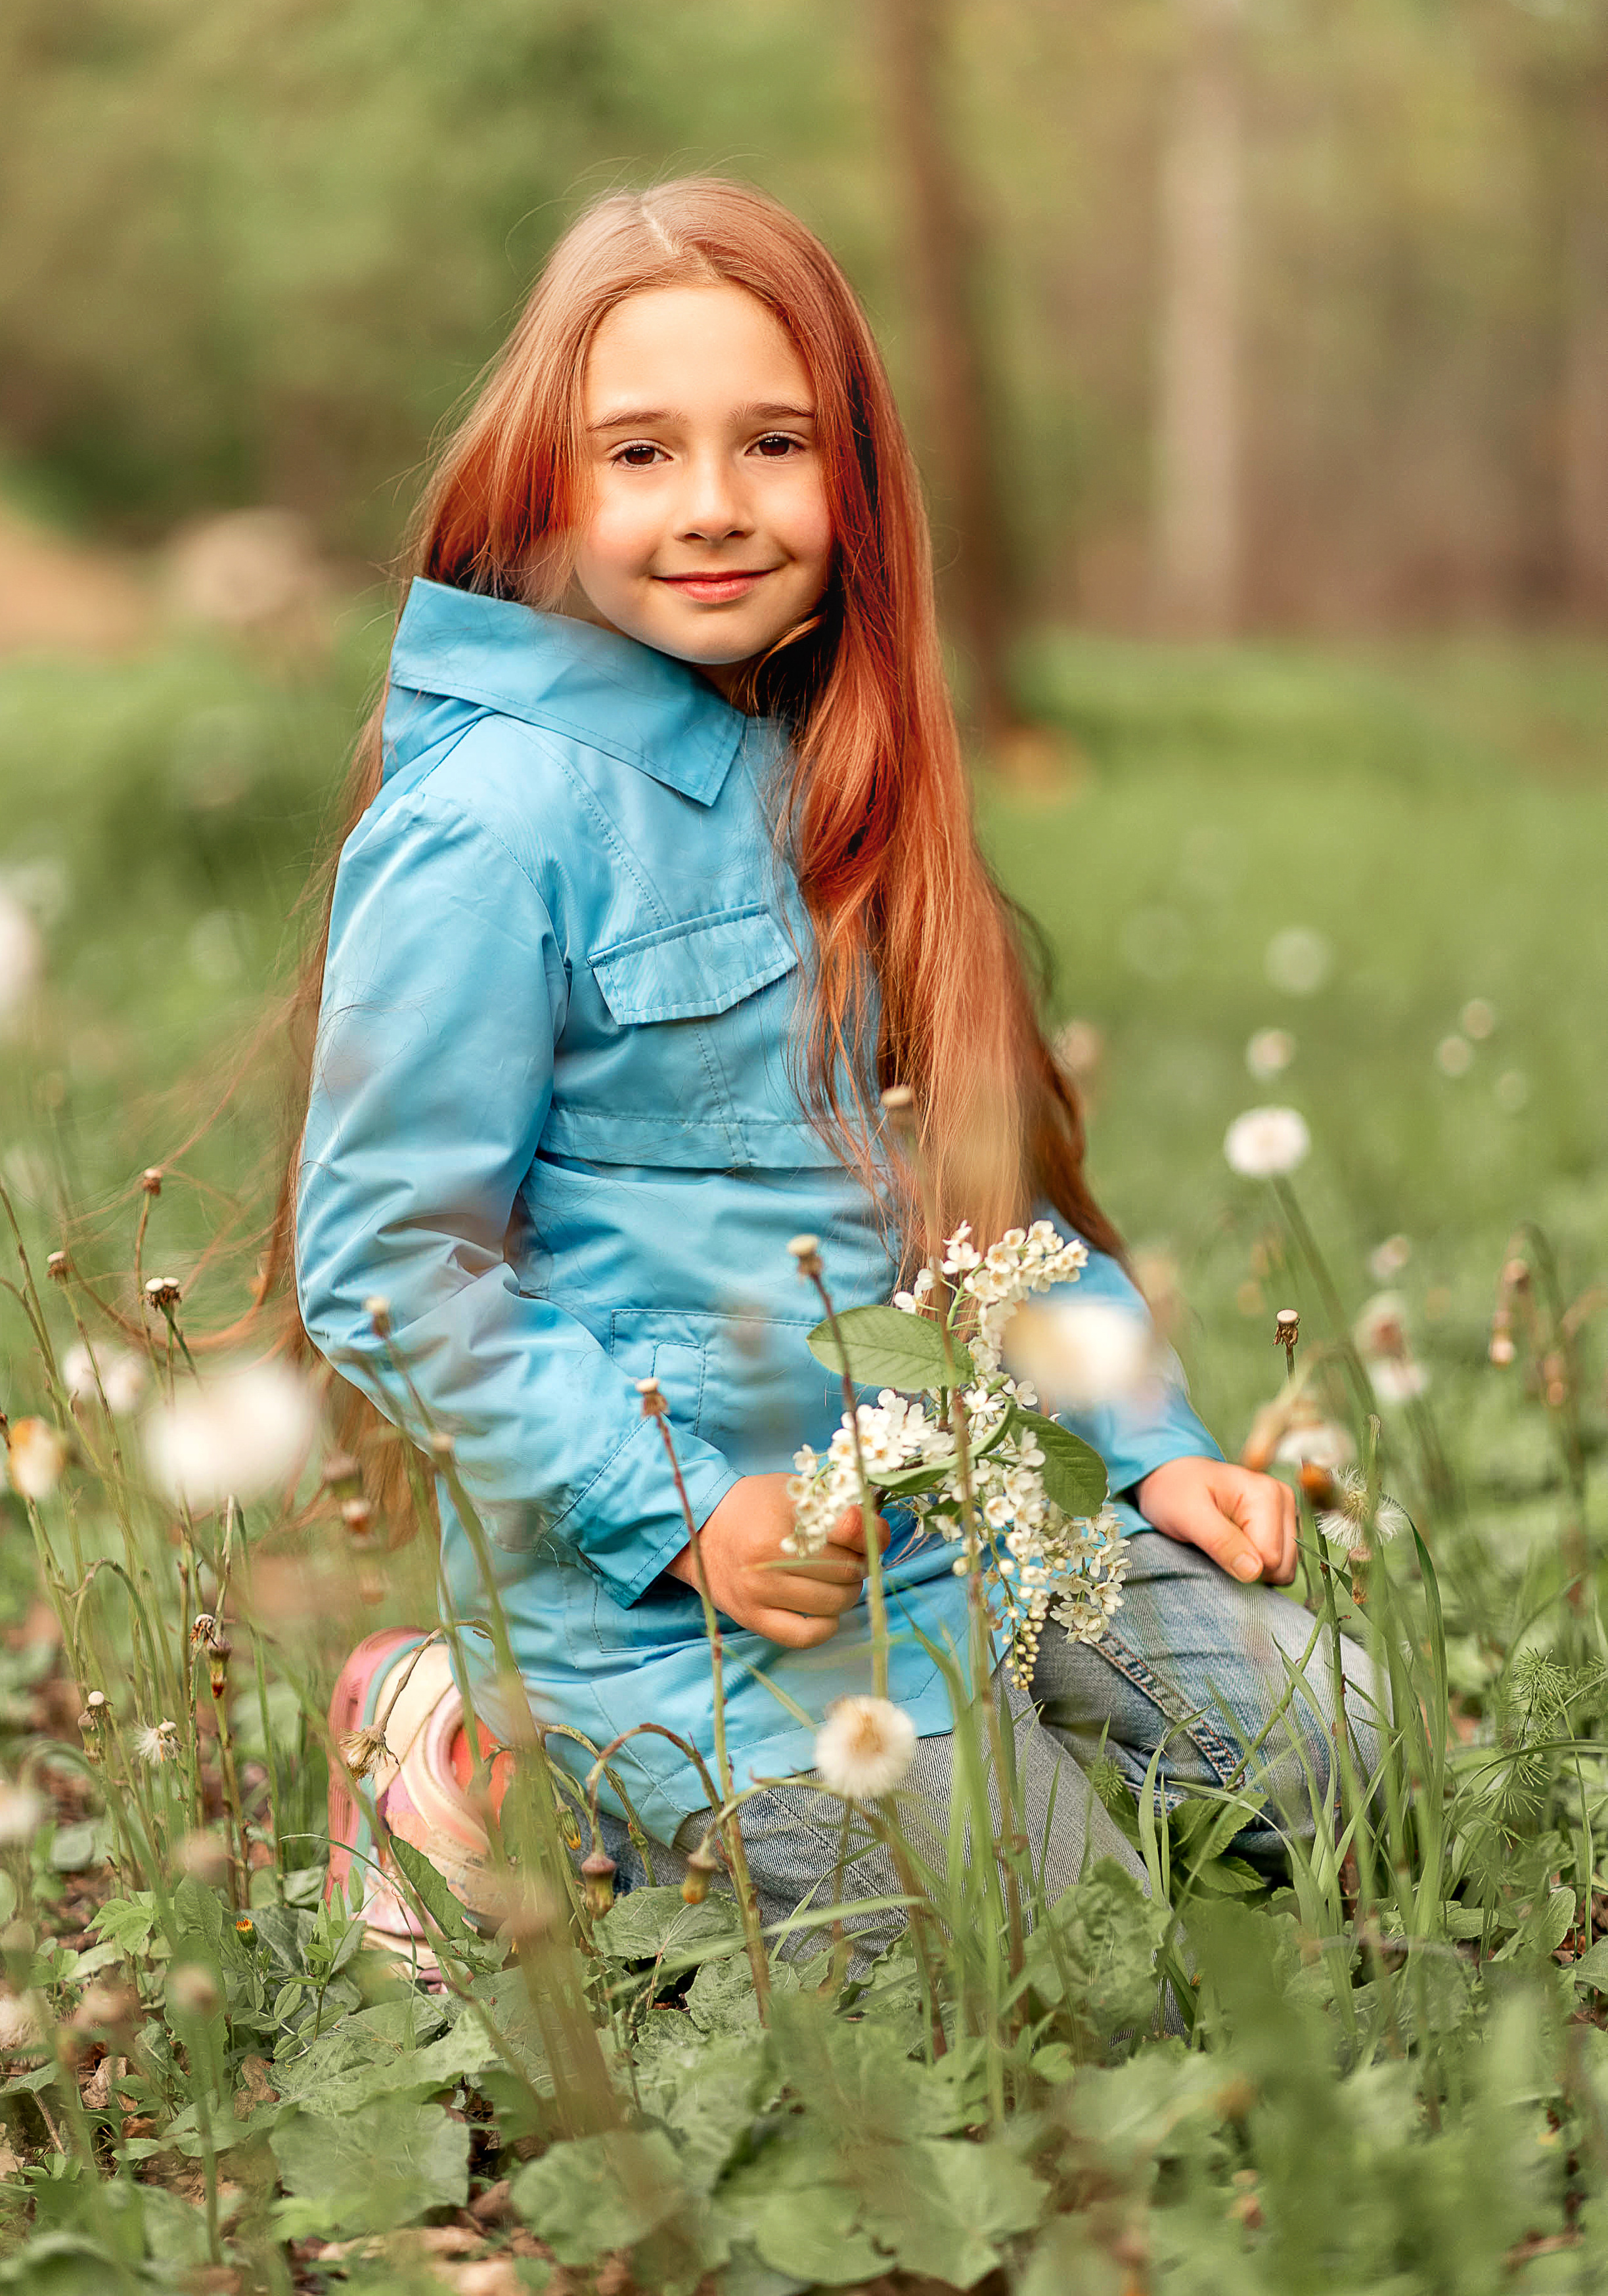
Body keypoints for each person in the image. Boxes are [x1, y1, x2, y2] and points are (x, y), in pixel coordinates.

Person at [287, 177, 1366, 1962]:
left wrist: (1154, 1448)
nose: (712, 506)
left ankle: (985, 1753)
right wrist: (685, 1516)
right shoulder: (492, 825)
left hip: (977, 1534)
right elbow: (387, 1260)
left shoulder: (840, 768)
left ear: (851, 472)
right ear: (547, 483)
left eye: (772, 442)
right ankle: (480, 1741)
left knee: (1346, 1767)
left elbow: (981, 1219)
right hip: (692, 1605)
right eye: (638, 453)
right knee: (1065, 1957)